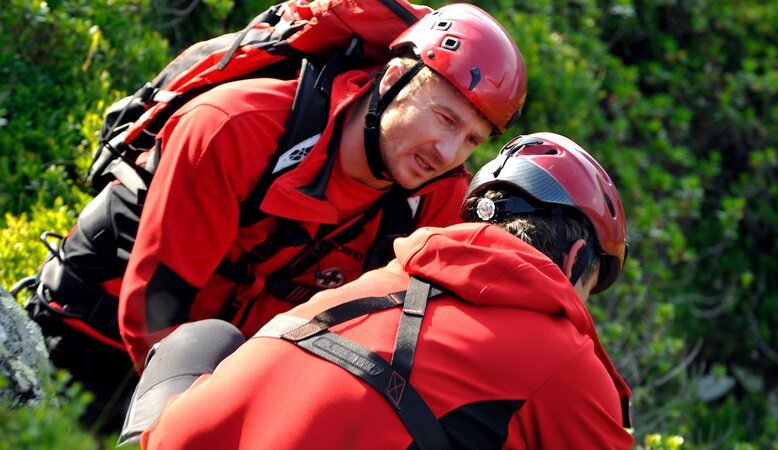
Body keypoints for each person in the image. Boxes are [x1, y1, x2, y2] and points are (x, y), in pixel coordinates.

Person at [24, 1, 526, 429]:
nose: (447, 152)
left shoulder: (437, 195)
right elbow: (152, 312)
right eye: (444, 118)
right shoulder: (234, 128)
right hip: (93, 345)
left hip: (231, 376)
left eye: (471, 139)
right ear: (394, 79)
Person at [120, 132, 634, 449]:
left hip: (175, 442)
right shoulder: (565, 357)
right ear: (575, 258)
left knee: (203, 338)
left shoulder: (379, 281)